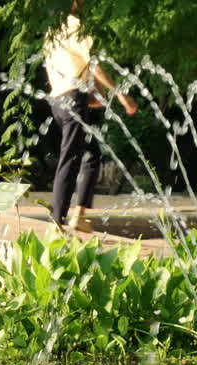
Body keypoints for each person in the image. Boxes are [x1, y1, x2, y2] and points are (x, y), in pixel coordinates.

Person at [44, 6, 137, 232]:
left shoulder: (52, 31)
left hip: (58, 99)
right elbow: (93, 64)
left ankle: (80, 215)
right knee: (70, 158)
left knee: (90, 154)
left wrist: (88, 96)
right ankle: (57, 221)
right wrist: (121, 95)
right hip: (72, 98)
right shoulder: (76, 26)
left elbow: (68, 66)